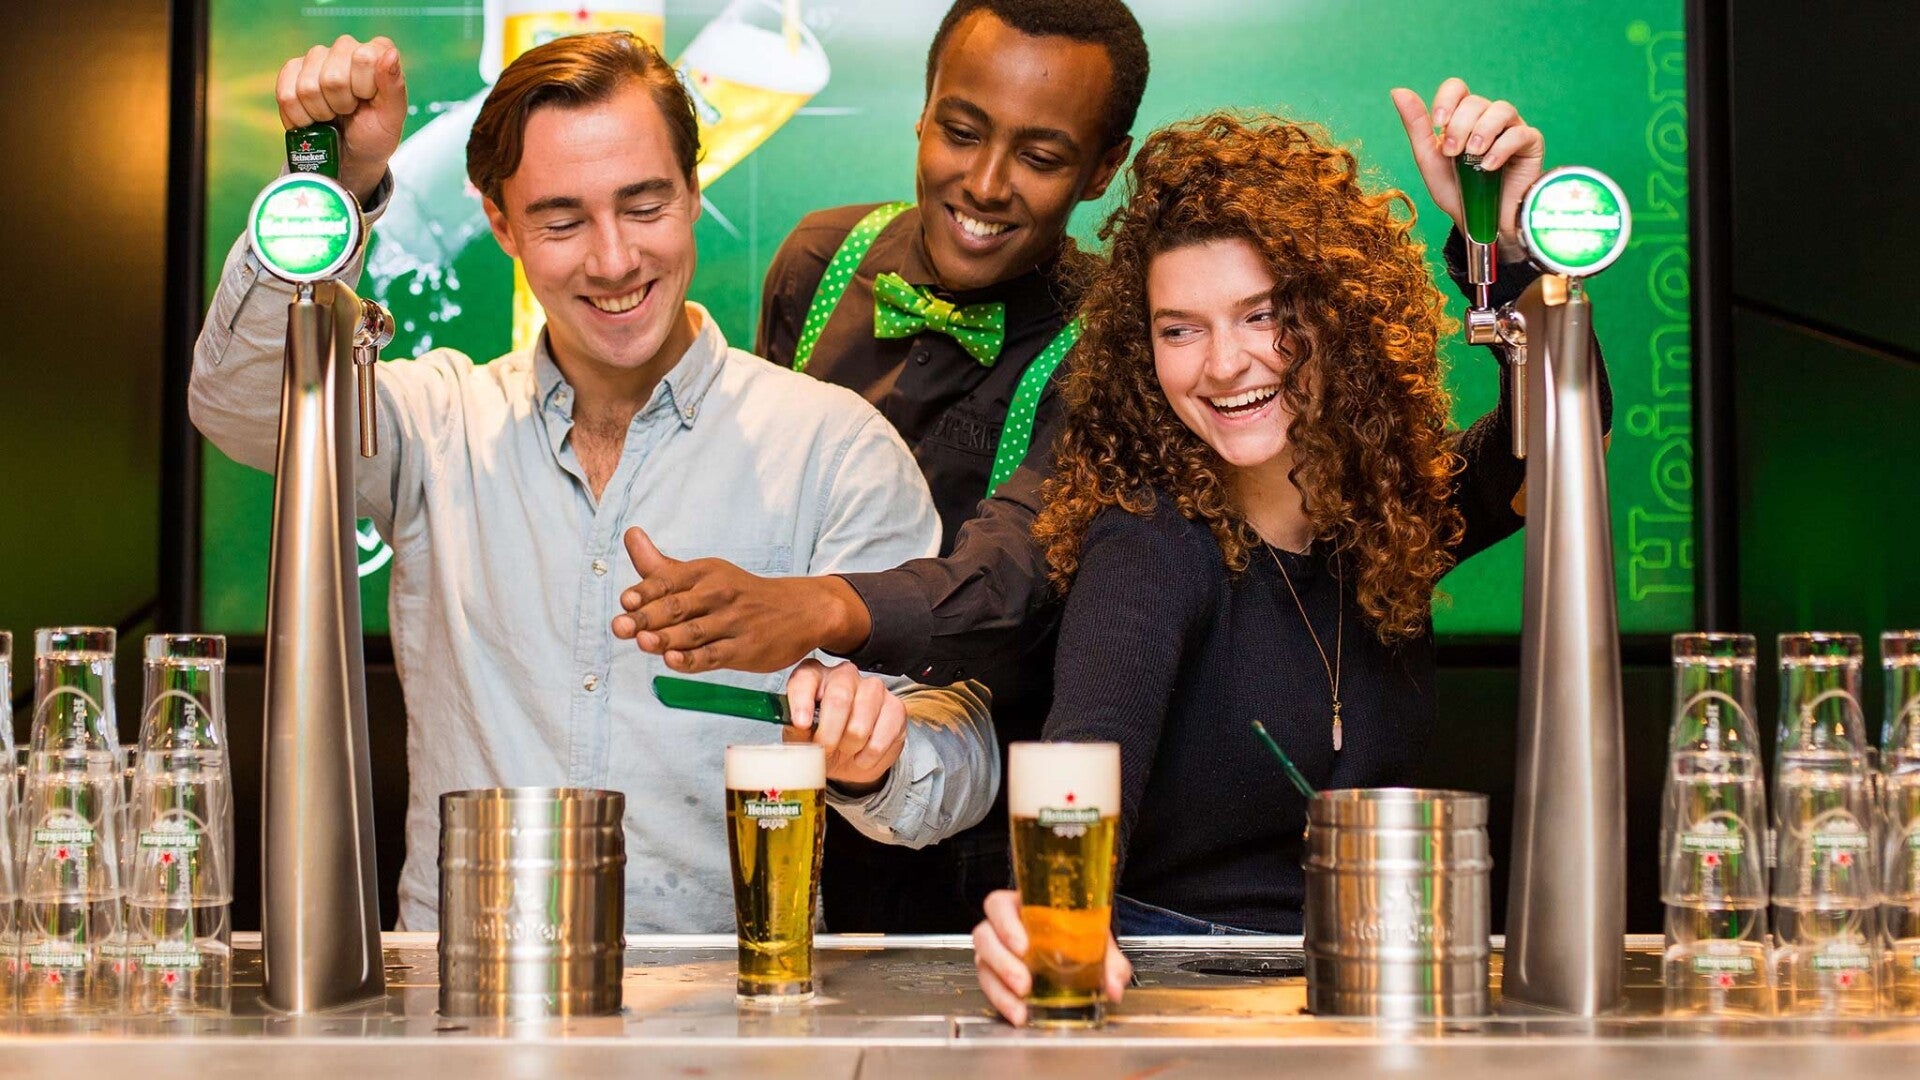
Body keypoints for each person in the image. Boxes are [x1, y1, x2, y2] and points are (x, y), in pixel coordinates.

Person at [189, 31, 995, 934]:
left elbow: (957, 761)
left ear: (694, 190)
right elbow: (241, 403)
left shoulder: (831, 446)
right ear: (501, 224)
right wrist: (332, 189)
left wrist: (876, 753)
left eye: (645, 205)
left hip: (726, 995)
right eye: (562, 221)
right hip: (466, 986)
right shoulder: (439, 425)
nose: (613, 261)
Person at [969, 96, 1615, 1022]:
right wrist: (1047, 915)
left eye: (1262, 316)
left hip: (1378, 974)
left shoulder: (1385, 515)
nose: (1223, 364)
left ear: (1340, 317)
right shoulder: (1148, 538)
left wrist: (1508, 252)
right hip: (1185, 989)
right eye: (1180, 329)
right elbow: (1085, 756)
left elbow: (1562, 440)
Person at [626, 0, 1144, 933]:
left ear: (1104, 168)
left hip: (991, 823)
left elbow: (1017, 579)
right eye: (961, 131)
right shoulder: (819, 259)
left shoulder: (1116, 335)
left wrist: (819, 606)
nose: (985, 182)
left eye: (1039, 156)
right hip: (798, 787)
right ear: (923, 110)